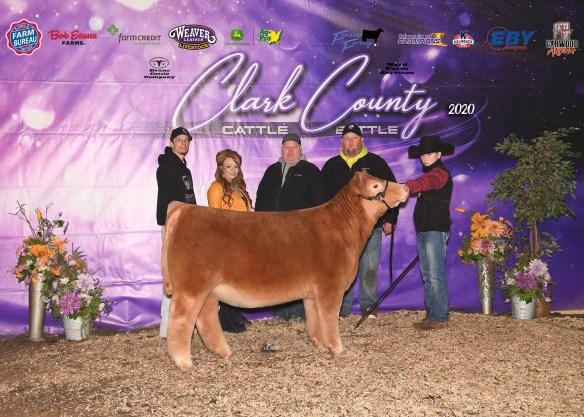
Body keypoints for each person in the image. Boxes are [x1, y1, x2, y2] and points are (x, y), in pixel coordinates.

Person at [321, 123, 399, 318]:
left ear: (362, 140)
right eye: (346, 139)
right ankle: (342, 307)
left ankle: (368, 306)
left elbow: (390, 191)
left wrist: (390, 218)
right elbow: (322, 197)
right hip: (339, 229)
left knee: (369, 267)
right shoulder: (331, 165)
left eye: (354, 138)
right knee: (342, 268)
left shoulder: (376, 163)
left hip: (371, 227)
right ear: (341, 142)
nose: (350, 142)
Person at [255, 133, 326, 321]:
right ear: (281, 149)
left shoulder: (311, 171)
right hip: (272, 232)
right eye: (286, 147)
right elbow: (261, 198)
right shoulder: (271, 171)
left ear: (301, 150)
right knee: (278, 271)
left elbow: (320, 202)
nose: (290, 151)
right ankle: (281, 311)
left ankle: (301, 311)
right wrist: (259, 225)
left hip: (300, 234)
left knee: (300, 272)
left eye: (294, 147)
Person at [403, 135, 454, 330]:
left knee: (435, 275)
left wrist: (405, 187)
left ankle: (439, 317)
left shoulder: (440, 173)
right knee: (428, 275)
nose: (425, 158)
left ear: (439, 154)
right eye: (422, 155)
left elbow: (425, 183)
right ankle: (433, 314)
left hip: (434, 229)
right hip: (425, 230)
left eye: (429, 154)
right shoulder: (433, 173)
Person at [156, 126, 197, 338]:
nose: (183, 143)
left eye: (186, 140)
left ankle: (178, 326)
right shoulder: (166, 168)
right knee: (174, 277)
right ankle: (167, 328)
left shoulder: (183, 169)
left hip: (186, 227)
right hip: (175, 227)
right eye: (179, 139)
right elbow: (169, 201)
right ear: (171, 143)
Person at [207, 149, 253, 333]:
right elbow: (215, 217)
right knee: (227, 280)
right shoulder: (216, 187)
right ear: (221, 168)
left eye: (236, 167)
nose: (233, 170)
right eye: (228, 167)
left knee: (237, 279)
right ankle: (226, 320)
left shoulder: (238, 187)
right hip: (227, 240)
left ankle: (234, 314)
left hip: (243, 238)